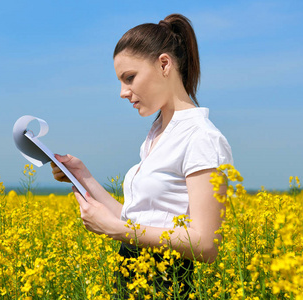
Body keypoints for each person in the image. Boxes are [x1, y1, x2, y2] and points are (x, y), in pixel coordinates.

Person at [51, 13, 233, 298]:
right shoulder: (157, 134)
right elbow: (137, 219)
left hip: (164, 283)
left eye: (130, 78)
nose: (123, 93)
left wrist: (118, 231)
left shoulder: (202, 138)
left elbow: (206, 244)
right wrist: (82, 176)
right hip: (131, 278)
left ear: (164, 64)